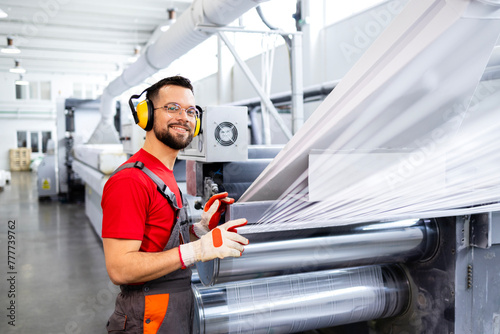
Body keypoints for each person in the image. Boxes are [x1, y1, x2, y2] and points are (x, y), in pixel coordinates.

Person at [101, 76, 248, 334]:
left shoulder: (164, 174)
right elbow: (120, 269)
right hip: (147, 317)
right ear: (146, 115)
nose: (184, 117)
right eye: (172, 108)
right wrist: (196, 251)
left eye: (191, 111)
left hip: (174, 310)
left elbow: (157, 242)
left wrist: (200, 230)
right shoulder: (130, 181)